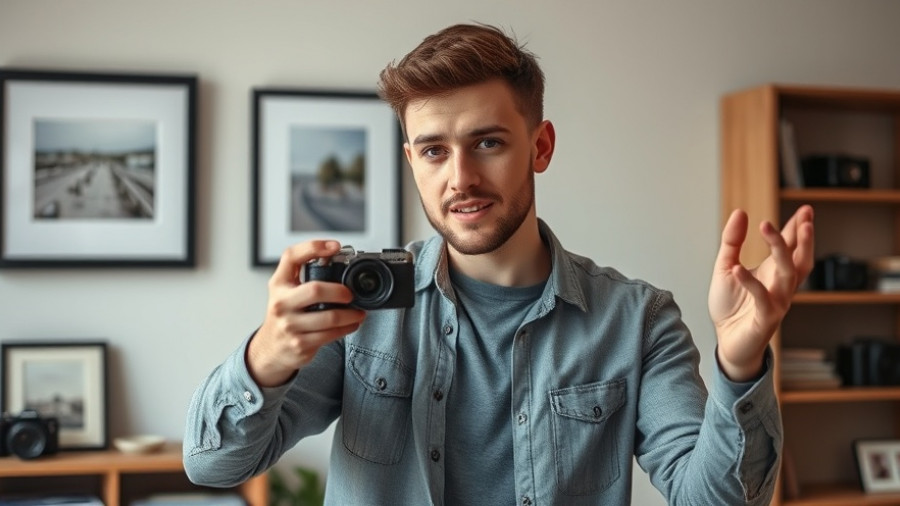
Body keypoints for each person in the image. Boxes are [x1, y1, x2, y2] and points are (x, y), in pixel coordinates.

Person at [184, 23, 815, 505]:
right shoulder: (357, 312)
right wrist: (265, 356)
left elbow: (716, 498)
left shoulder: (638, 320)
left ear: (539, 147)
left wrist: (740, 362)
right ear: (412, 162)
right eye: (434, 150)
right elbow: (213, 466)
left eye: (487, 142)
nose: (460, 178)